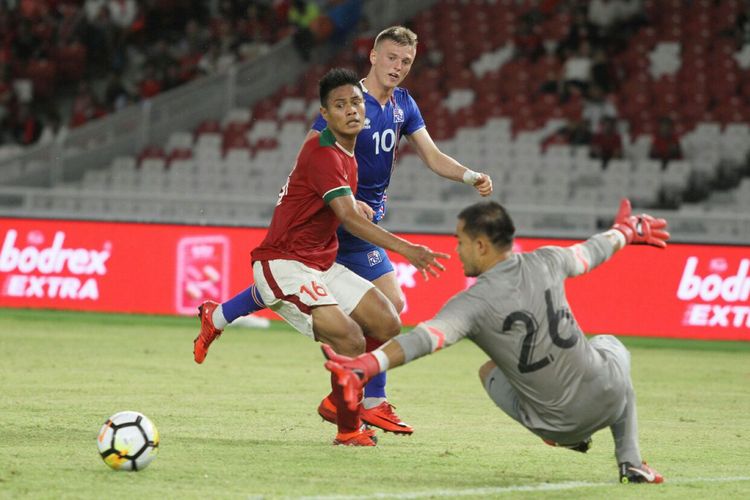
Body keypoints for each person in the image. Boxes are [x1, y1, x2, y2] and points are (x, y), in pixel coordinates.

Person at [193, 26, 493, 435]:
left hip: (360, 222)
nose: (398, 68)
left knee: (383, 311)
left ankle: (222, 315)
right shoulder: (346, 101)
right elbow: (314, 157)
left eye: (406, 62)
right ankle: (367, 401)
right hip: (343, 219)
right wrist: (330, 201)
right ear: (373, 56)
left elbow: (432, 155)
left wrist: (469, 176)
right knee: (356, 301)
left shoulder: (403, 105)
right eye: (391, 58)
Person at [322, 198, 667, 483]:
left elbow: (424, 339)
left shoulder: (471, 304)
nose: (457, 251)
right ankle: (632, 460)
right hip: (611, 399)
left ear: (481, 245)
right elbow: (593, 250)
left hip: (557, 425)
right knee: (610, 346)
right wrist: (627, 229)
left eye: (460, 242)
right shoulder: (549, 259)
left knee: (489, 370)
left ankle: (562, 433)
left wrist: (367, 365)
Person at [236, 67, 448, 446]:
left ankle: (340, 400)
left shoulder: (348, 158)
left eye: (355, 102)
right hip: (285, 263)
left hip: (319, 262)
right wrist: (407, 249)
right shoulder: (322, 155)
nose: (351, 110)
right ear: (325, 114)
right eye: (340, 105)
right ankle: (349, 429)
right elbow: (347, 217)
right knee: (350, 337)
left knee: (386, 321)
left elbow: (346, 210)